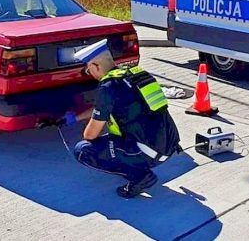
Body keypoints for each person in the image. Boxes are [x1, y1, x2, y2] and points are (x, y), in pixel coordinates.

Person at [43, 39, 181, 198]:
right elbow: (106, 107)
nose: (90, 75)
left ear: (96, 66)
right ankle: (136, 164)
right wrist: (74, 118)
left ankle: (140, 177)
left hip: (149, 153)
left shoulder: (108, 87)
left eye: (88, 71)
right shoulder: (135, 74)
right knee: (118, 136)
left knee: (83, 150)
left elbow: (90, 135)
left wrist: (84, 124)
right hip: (169, 145)